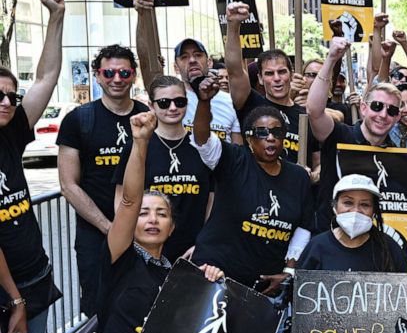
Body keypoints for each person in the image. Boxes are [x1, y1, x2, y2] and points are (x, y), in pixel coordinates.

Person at [80, 111, 224, 333]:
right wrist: (141, 142)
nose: (152, 219)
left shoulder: (177, 274)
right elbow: (130, 200)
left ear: (172, 227)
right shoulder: (119, 257)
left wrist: (207, 283)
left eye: (161, 213)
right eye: (144, 214)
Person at [269, 174, 407, 333]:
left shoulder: (389, 249)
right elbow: (301, 304)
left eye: (365, 204)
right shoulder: (317, 247)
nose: (356, 210)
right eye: (348, 202)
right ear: (334, 207)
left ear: (374, 211)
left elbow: (404, 307)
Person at [0, 0, 64, 333]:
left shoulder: (9, 134)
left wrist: (57, 17)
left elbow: (45, 79)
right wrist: (15, 302)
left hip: (34, 282)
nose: (6, 102)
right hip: (8, 298)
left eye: (10, 95)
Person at [189, 73, 314, 291]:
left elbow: (303, 227)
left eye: (277, 132)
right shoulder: (233, 159)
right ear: (249, 138)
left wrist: (289, 272)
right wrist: (204, 102)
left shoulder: (299, 176)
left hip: (263, 288)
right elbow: (202, 140)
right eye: (262, 132)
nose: (271, 137)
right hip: (214, 275)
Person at [58, 44, 150, 317]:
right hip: (95, 235)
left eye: (124, 73)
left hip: (144, 234)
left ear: (133, 76)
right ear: (97, 75)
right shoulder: (79, 120)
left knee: (144, 309)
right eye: (108, 72)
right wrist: (109, 228)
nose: (117, 79)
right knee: (99, 312)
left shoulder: (147, 116)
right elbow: (68, 185)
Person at [112, 75, 213, 261]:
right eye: (164, 103)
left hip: (194, 251)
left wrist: (203, 244)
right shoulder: (139, 143)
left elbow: (211, 200)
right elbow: (122, 198)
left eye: (180, 102)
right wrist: (130, 242)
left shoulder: (203, 146)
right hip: (146, 250)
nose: (173, 108)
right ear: (151, 106)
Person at [308, 37, 403, 228]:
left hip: (372, 244)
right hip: (329, 238)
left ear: (398, 117)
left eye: (391, 110)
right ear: (363, 108)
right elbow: (314, 111)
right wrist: (331, 59)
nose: (383, 115)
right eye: (377, 106)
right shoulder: (339, 135)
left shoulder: (396, 155)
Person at [135, 0, 242, 144]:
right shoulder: (168, 100)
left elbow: (237, 152)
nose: (192, 60)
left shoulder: (229, 102)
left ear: (209, 62)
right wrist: (143, 14)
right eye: (184, 57)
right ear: (176, 67)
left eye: (198, 55)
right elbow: (145, 59)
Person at [223, 2, 315, 168]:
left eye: (282, 72)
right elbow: (234, 69)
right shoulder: (251, 104)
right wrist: (233, 25)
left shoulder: (305, 116)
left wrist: (312, 175)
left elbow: (318, 163)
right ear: (259, 78)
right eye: (269, 73)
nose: (277, 78)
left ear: (291, 75)